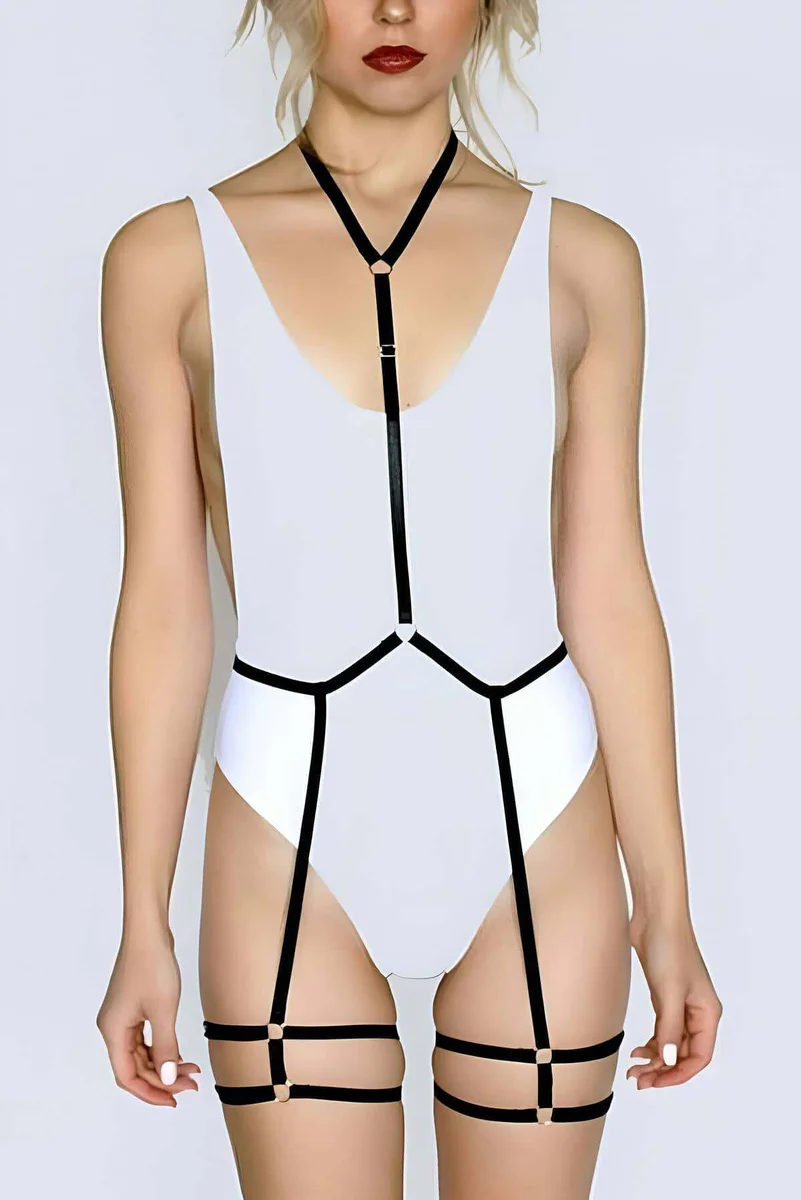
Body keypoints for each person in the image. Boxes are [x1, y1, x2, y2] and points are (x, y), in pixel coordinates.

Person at [96, 2, 722, 1196]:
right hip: (286, 835)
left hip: (540, 827)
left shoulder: (587, 261)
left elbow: (609, 588)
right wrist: (141, 922)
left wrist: (669, 906)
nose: (395, 9)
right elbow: (165, 605)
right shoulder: (164, 262)